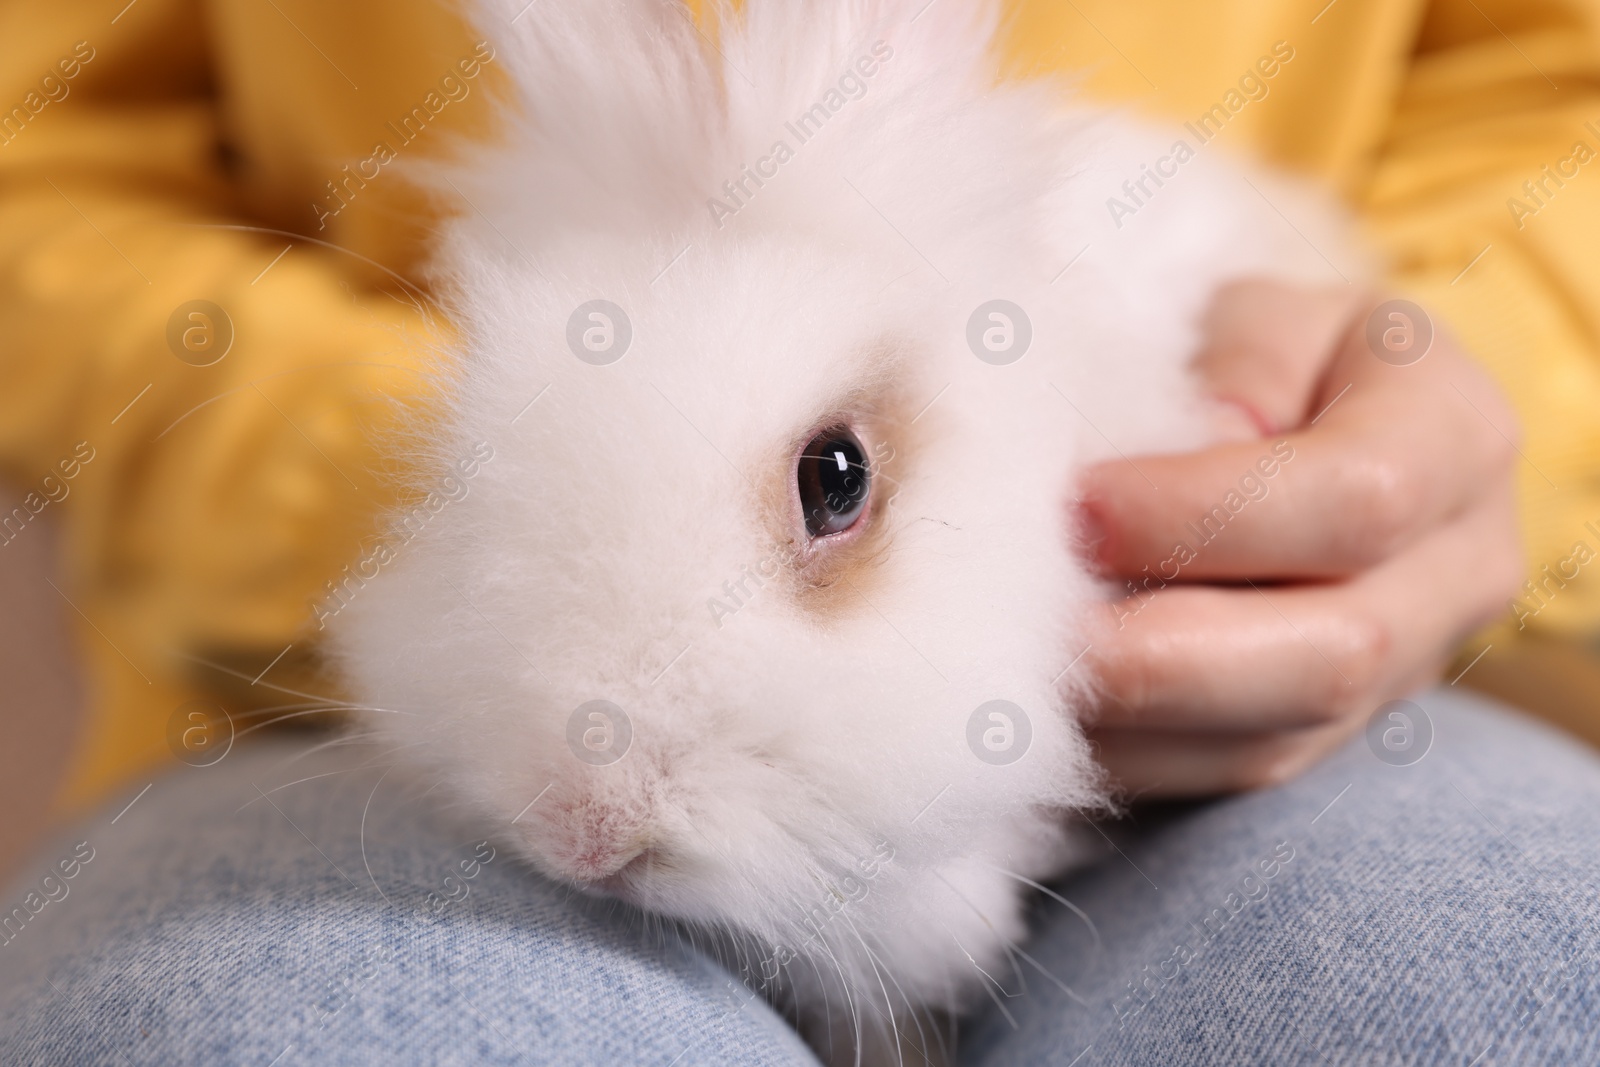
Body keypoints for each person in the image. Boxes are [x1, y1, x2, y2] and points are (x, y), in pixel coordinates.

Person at [2, 0, 1599, 1063]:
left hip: (1276, 730)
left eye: (834, 490)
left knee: (1509, 982)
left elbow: (1552, 96)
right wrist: (388, 448)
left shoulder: (1074, 325)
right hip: (286, 716)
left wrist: (1457, 392)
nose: (612, 803)